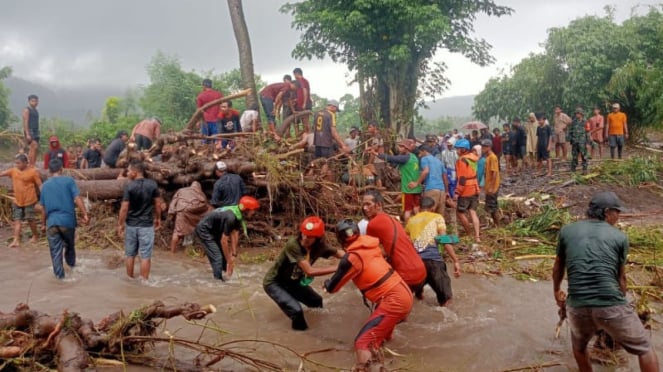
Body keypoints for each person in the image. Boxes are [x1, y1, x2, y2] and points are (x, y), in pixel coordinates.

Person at [553, 192, 659, 372]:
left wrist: (557, 291)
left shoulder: (567, 231)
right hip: (609, 303)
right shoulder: (619, 237)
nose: (619, 217)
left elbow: (558, 267)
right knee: (645, 348)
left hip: (577, 306)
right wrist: (619, 306)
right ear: (607, 212)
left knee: (579, 348)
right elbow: (621, 280)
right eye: (617, 212)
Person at [324, 219, 413, 371]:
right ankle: (387, 362)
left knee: (362, 342)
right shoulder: (370, 245)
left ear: (339, 239)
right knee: (381, 338)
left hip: (393, 300)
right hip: (403, 292)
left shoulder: (351, 258)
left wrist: (326, 283)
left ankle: (366, 368)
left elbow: (333, 288)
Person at [263, 216, 344, 330]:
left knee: (316, 301)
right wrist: (339, 267)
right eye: (304, 234)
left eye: (310, 237)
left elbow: (341, 254)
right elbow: (309, 271)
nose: (305, 238)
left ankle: (318, 328)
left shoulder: (320, 247)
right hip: (275, 283)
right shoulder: (293, 244)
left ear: (318, 238)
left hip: (293, 282)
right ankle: (302, 336)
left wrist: (356, 258)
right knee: (296, 311)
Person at [362, 190, 426, 291]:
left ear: (378, 205)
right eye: (363, 205)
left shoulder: (373, 224)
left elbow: (372, 254)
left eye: (368, 204)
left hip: (406, 276)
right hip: (421, 271)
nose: (365, 208)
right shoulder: (393, 219)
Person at [405, 197, 461, 306]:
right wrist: (455, 260)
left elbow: (406, 242)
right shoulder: (437, 217)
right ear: (433, 208)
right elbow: (444, 239)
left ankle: (419, 295)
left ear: (419, 208)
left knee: (416, 295)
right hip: (433, 261)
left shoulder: (411, 220)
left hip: (416, 264)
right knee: (446, 300)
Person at [39, 158, 89, 279]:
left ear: (50, 171)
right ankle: (72, 269)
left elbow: (43, 208)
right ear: (61, 169)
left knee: (55, 253)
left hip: (51, 224)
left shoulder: (45, 186)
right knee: (70, 246)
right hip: (67, 222)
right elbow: (77, 198)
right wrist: (85, 214)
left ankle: (59, 279)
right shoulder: (69, 181)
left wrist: (43, 224)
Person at [195, 196, 260, 280]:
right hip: (204, 230)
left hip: (214, 230)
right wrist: (229, 261)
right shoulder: (231, 218)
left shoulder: (237, 214)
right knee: (218, 258)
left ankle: (225, 276)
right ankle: (218, 283)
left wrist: (233, 254)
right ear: (246, 209)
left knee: (224, 258)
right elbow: (224, 241)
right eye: (253, 210)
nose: (254, 212)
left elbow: (235, 233)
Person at [117, 161, 162, 280]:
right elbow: (158, 204)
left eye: (129, 170)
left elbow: (124, 207)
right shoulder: (152, 184)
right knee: (145, 256)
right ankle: (144, 283)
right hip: (146, 225)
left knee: (130, 254)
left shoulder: (129, 186)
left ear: (135, 172)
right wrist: (158, 218)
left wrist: (120, 224)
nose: (127, 173)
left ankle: (129, 280)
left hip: (131, 225)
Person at [373, 139, 422, 221]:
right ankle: (419, 226)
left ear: (406, 148)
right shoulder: (413, 157)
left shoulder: (405, 158)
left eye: (401, 146)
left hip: (408, 188)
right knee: (416, 208)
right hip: (416, 187)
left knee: (407, 211)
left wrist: (376, 154)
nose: (399, 148)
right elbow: (396, 163)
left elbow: (391, 158)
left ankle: (407, 228)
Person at [0, 153, 42, 247]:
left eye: (18, 163)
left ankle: (35, 235)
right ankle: (16, 240)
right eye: (16, 163)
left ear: (25, 163)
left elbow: (40, 185)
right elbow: (2, 173)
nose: (17, 165)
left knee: (30, 219)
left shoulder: (33, 172)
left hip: (29, 200)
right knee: (17, 220)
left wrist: (44, 196)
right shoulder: (13, 170)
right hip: (17, 201)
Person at [168, 181, 211, 253]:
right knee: (188, 230)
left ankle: (172, 252)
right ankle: (183, 250)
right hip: (192, 213)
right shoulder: (201, 194)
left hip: (181, 210)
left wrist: (171, 212)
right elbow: (204, 206)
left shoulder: (181, 190)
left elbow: (174, 201)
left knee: (177, 232)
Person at [453, 138, 481, 243]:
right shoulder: (474, 158)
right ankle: (477, 236)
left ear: (463, 149)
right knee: (473, 212)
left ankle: (469, 234)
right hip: (475, 187)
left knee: (460, 212)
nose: (456, 151)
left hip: (466, 190)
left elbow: (462, 179)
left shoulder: (461, 160)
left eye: (458, 149)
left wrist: (457, 192)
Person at [411, 145, 448, 216]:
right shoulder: (438, 161)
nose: (419, 155)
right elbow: (445, 177)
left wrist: (417, 183)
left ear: (424, 151)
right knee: (439, 217)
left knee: (428, 215)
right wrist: (446, 191)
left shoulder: (424, 159)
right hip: (441, 191)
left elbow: (426, 171)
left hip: (431, 189)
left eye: (420, 153)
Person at [196, 78, 223, 145]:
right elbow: (223, 107)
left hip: (205, 121)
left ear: (204, 86)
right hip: (217, 121)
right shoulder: (219, 94)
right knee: (217, 142)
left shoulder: (200, 96)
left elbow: (199, 111)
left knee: (204, 142)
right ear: (211, 85)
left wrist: (198, 121)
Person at [481, 139, 501, 226]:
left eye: (485, 147)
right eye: (483, 146)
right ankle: (496, 224)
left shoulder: (493, 157)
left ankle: (497, 225)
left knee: (492, 206)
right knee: (492, 206)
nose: (483, 148)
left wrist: (491, 187)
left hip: (492, 186)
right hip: (489, 185)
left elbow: (495, 173)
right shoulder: (487, 157)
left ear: (489, 147)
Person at [569, 108, 589, 174]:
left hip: (582, 142)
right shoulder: (573, 122)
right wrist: (571, 140)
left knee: (584, 156)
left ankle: (585, 169)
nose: (577, 115)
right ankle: (573, 168)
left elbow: (587, 132)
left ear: (581, 114)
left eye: (578, 113)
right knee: (574, 156)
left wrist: (588, 142)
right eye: (576, 113)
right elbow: (570, 131)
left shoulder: (585, 122)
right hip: (575, 141)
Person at [22, 94, 40, 166]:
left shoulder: (36, 111)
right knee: (33, 146)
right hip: (30, 130)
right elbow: (25, 122)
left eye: (35, 101)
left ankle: (33, 164)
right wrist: (27, 133)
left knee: (35, 148)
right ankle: (30, 165)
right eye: (32, 101)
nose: (34, 102)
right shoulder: (27, 110)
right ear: (29, 101)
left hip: (36, 130)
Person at [293, 67, 312, 132]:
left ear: (296, 74)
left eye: (294, 75)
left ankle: (309, 134)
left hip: (304, 104)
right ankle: (306, 134)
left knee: (306, 121)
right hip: (302, 103)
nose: (294, 77)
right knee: (304, 121)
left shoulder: (301, 80)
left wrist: (304, 103)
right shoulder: (303, 81)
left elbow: (305, 90)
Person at [535, 112, 553, 177]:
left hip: (545, 145)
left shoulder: (548, 127)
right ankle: (539, 171)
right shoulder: (538, 128)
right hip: (540, 145)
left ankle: (550, 172)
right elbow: (538, 137)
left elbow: (550, 136)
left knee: (548, 159)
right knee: (539, 159)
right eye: (538, 120)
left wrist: (549, 145)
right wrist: (536, 146)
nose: (539, 121)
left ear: (544, 120)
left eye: (540, 120)